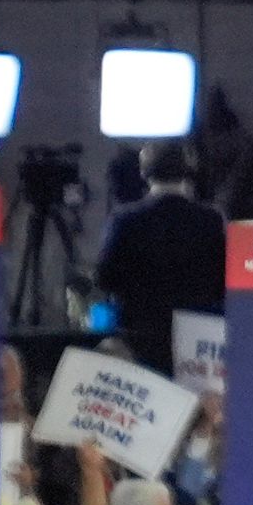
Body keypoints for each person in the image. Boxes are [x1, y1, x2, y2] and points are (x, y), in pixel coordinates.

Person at [92, 142, 224, 376]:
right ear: (190, 170)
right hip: (197, 341)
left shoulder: (125, 221)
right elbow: (222, 281)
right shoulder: (210, 220)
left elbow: (105, 278)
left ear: (144, 172)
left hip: (139, 337)